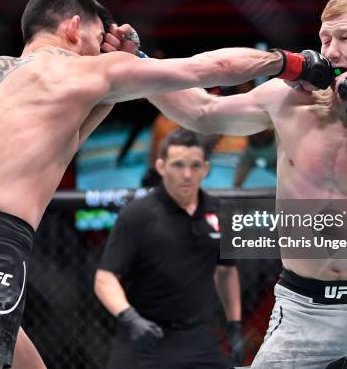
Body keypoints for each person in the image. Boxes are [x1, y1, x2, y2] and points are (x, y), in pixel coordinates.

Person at [0, 0, 330, 369]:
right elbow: (217, 69)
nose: (101, 50)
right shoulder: (77, 72)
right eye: (97, 38)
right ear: (73, 27)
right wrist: (292, 63)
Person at [146, 0, 347, 368]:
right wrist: (136, 63)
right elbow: (202, 111)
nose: (330, 52)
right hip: (302, 307)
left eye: (346, 38)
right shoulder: (288, 101)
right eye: (325, 39)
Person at [95, 128, 244, 369]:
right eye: (177, 165)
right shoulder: (138, 215)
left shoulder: (219, 211)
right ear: (161, 166)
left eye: (195, 166)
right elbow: (105, 278)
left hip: (199, 338)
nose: (187, 174)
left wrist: (235, 325)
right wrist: (130, 318)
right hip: (144, 337)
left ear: (205, 169)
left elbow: (226, 271)